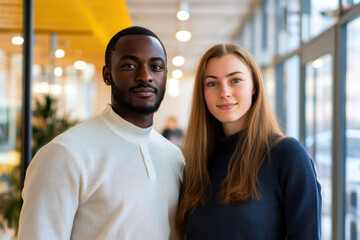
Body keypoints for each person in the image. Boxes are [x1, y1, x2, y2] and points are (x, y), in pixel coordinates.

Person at [18, 26, 184, 240]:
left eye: (156, 67)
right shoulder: (64, 154)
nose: (146, 76)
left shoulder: (174, 157)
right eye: (130, 65)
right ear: (107, 74)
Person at [175, 44, 321, 239]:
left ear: (254, 87)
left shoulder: (286, 155)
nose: (224, 92)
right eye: (212, 83)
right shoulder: (197, 161)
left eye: (235, 80)